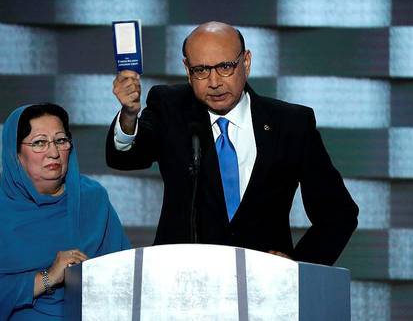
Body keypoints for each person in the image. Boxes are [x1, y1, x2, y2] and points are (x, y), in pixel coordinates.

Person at [106, 21, 358, 266]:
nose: (214, 82)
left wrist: (297, 268)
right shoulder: (170, 106)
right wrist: (129, 116)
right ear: (187, 69)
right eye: (201, 70)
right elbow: (127, 157)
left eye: (225, 67)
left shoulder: (290, 124)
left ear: (245, 62)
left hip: (265, 288)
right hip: (182, 285)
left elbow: (338, 214)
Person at [0, 103, 130, 320]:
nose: (53, 152)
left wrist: (94, 277)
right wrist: (48, 277)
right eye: (39, 143)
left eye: (60, 140)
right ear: (16, 154)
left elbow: (126, 277)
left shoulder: (93, 199)